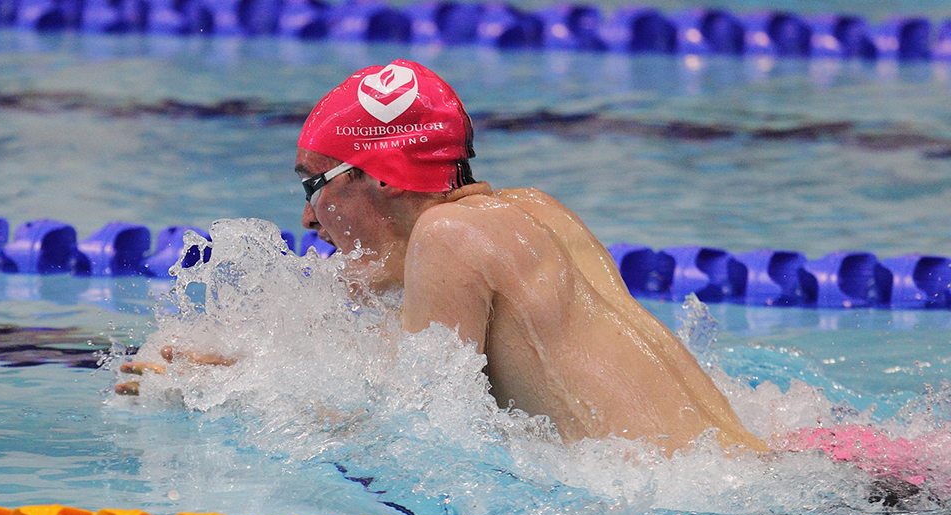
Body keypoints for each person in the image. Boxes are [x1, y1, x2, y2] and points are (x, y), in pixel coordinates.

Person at [117, 59, 768, 457]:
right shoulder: (534, 210)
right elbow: (409, 365)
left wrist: (227, 395)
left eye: (314, 185)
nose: (309, 220)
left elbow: (416, 427)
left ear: (382, 175)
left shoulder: (446, 238)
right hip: (760, 472)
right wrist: (242, 357)